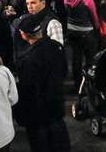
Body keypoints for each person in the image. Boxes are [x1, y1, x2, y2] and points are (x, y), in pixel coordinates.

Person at [15, 15, 70, 152]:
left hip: (38, 115)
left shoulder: (29, 58)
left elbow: (28, 89)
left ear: (24, 34)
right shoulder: (57, 47)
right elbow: (64, 70)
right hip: (56, 107)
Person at [64, 0, 99, 88]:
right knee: (89, 58)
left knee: (76, 57)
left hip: (72, 31)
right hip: (87, 32)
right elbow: (94, 17)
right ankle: (89, 83)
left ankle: (77, 83)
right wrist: (97, 28)